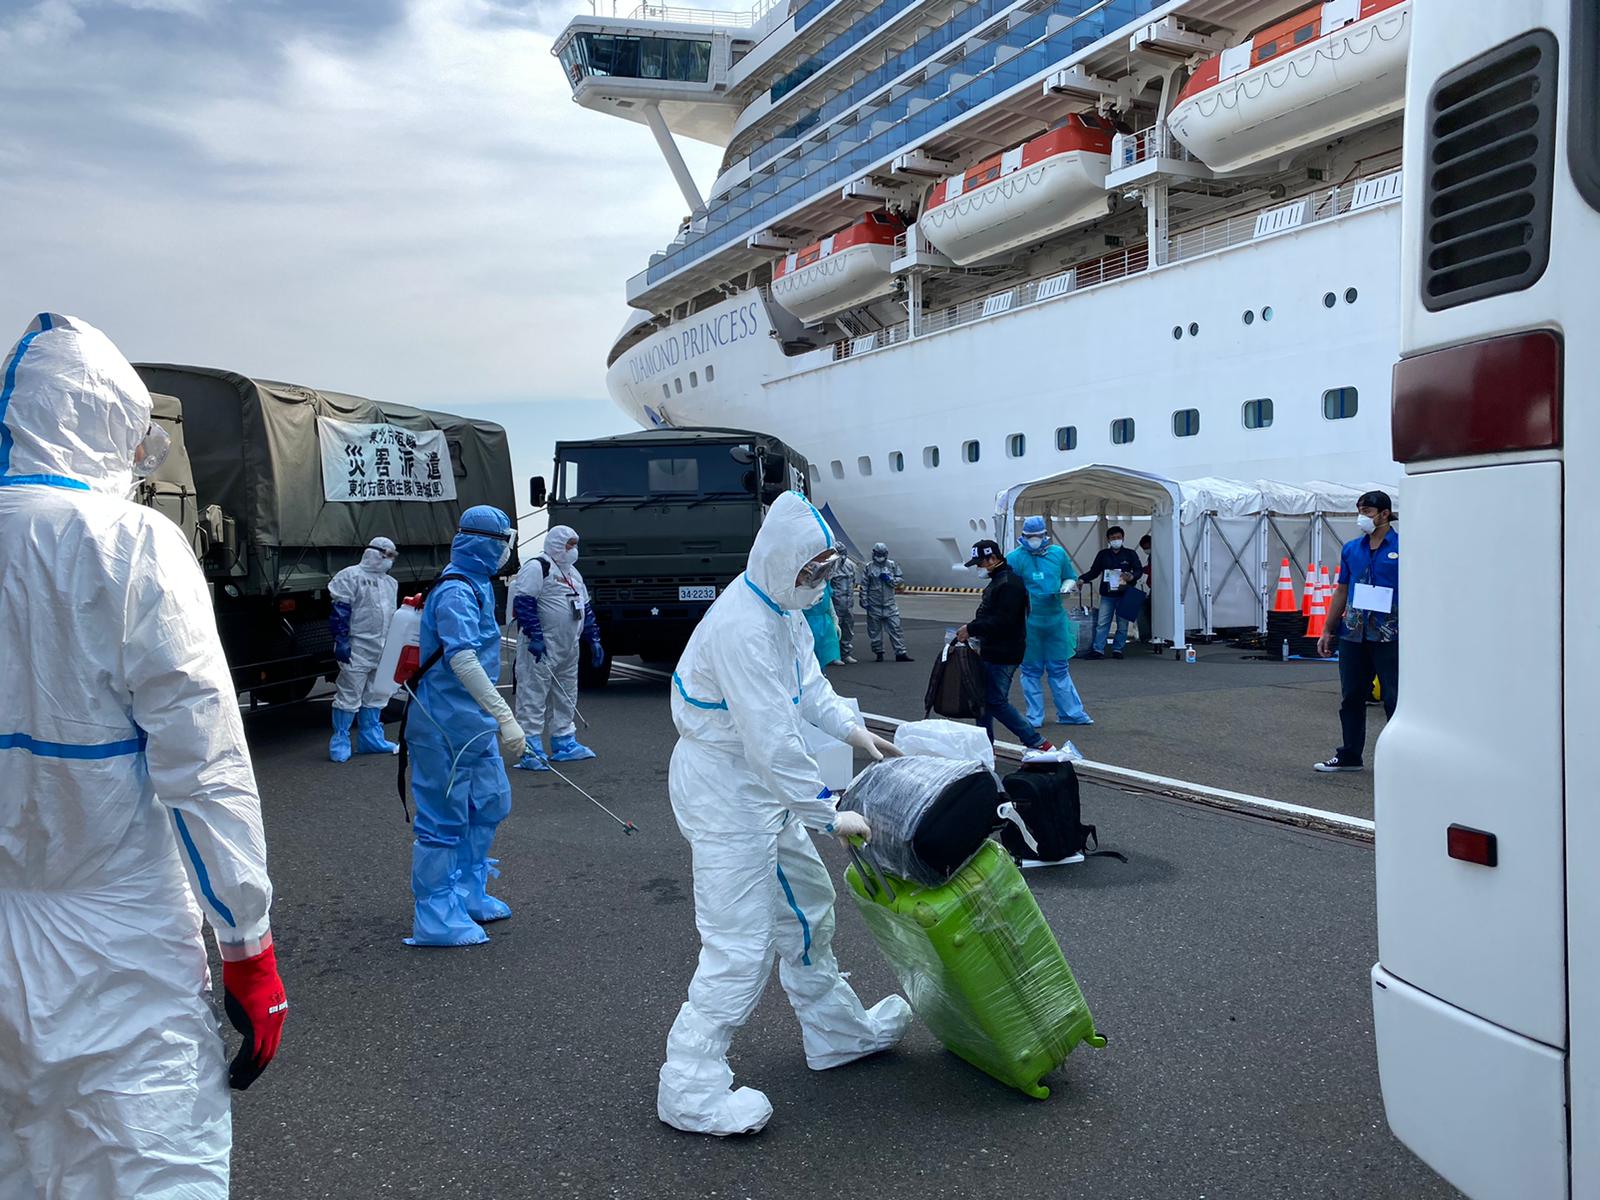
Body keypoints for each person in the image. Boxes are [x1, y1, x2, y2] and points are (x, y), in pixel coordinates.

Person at [0, 314, 286, 1198]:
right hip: (121, 935)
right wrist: (248, 944)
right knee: (154, 1160)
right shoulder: (130, 543)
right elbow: (205, 763)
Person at [659, 491, 911, 1136]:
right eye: (810, 570)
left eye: (825, 569)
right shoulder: (743, 626)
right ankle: (689, 1085)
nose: (819, 581)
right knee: (739, 943)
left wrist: (854, 730)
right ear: (778, 560)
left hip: (761, 787)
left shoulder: (782, 608)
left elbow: (809, 688)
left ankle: (836, 1033)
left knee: (807, 909)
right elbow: (770, 740)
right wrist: (828, 812)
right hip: (725, 791)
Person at [405, 504, 523, 946]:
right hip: (443, 721)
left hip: (472, 720)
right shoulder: (456, 590)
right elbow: (462, 659)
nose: (506, 550)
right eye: (503, 541)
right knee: (443, 817)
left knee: (489, 802)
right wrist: (506, 715)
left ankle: (469, 890)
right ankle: (436, 913)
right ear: (485, 543)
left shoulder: (478, 584)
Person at [1314, 491, 1399, 773]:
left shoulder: (1403, 547)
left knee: (1393, 698)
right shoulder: (1352, 549)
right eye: (1359, 510)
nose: (1362, 516)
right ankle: (1350, 754)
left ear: (1385, 514)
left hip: (1390, 633)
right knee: (1351, 695)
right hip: (1353, 631)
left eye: (1368, 511)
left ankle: (1398, 759)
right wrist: (1328, 629)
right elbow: (1342, 590)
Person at [509, 524, 602, 771]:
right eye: (569, 544)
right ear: (556, 543)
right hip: (542, 646)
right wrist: (535, 635)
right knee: (532, 695)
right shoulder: (538, 567)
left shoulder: (573, 573)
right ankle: (530, 748)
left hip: (569, 646)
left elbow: (585, 608)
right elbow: (524, 602)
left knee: (567, 693)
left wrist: (593, 638)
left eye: (575, 545)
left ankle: (564, 741)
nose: (573, 549)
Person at [956, 539, 1054, 751]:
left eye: (980, 563)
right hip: (993, 648)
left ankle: (1036, 741)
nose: (978, 568)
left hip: (1003, 652)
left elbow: (1004, 621)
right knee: (983, 700)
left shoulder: (1008, 584)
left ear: (992, 558)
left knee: (995, 701)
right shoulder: (1000, 581)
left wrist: (971, 629)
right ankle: (985, 747)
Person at [1006, 516, 1092, 727]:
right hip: (1028, 621)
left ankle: (1071, 714)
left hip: (1055, 620)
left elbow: (1069, 575)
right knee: (1030, 670)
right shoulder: (1015, 558)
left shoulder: (1057, 553)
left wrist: (1067, 586)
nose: (1034, 540)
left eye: (1038, 536)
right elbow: (1008, 587)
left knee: (1059, 667)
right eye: (1030, 536)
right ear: (1023, 536)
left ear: (1045, 534)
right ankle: (1034, 717)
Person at [327, 536, 400, 762]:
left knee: (377, 693)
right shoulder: (350, 576)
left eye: (393, 556)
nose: (390, 560)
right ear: (375, 552)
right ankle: (341, 739)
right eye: (388, 555)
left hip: (382, 646)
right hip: (357, 646)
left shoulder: (390, 583)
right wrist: (341, 639)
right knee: (349, 693)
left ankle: (370, 738)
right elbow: (340, 610)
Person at [1076, 526, 1145, 659]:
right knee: (1102, 623)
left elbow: (1138, 570)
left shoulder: (1130, 554)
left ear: (1123, 538)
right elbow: (1094, 571)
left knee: (1123, 624)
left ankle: (1118, 649)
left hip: (1125, 595)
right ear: (1108, 540)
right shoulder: (1103, 554)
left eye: (1118, 537)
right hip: (1107, 595)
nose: (1116, 540)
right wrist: (1082, 579)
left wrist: (1131, 576)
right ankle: (1098, 650)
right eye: (1113, 538)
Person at [862, 541, 913, 662]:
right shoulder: (869, 567)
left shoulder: (892, 565)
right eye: (878, 554)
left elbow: (900, 579)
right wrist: (864, 600)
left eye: (882, 554)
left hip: (889, 603)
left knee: (896, 628)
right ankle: (878, 652)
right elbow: (864, 585)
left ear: (886, 554)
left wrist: (889, 579)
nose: (880, 557)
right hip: (874, 604)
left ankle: (900, 653)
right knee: (874, 631)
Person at [803, 582, 842, 669]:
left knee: (825, 650)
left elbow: (829, 602)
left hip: (825, 621)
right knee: (810, 652)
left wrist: (835, 620)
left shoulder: (824, 584)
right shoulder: (803, 586)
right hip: (808, 621)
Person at [831, 554, 858, 663]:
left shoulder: (850, 565)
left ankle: (846, 653)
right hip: (836, 603)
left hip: (848, 603)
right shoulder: (831, 566)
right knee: (835, 631)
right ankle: (835, 656)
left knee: (847, 630)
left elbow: (853, 582)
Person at [1136, 533, 1155, 650]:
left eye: (1146, 547)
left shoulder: (1154, 556)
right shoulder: (1154, 555)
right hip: (1154, 587)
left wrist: (1141, 571)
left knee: (1144, 609)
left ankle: (1147, 636)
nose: (1146, 550)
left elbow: (1152, 570)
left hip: (1155, 588)